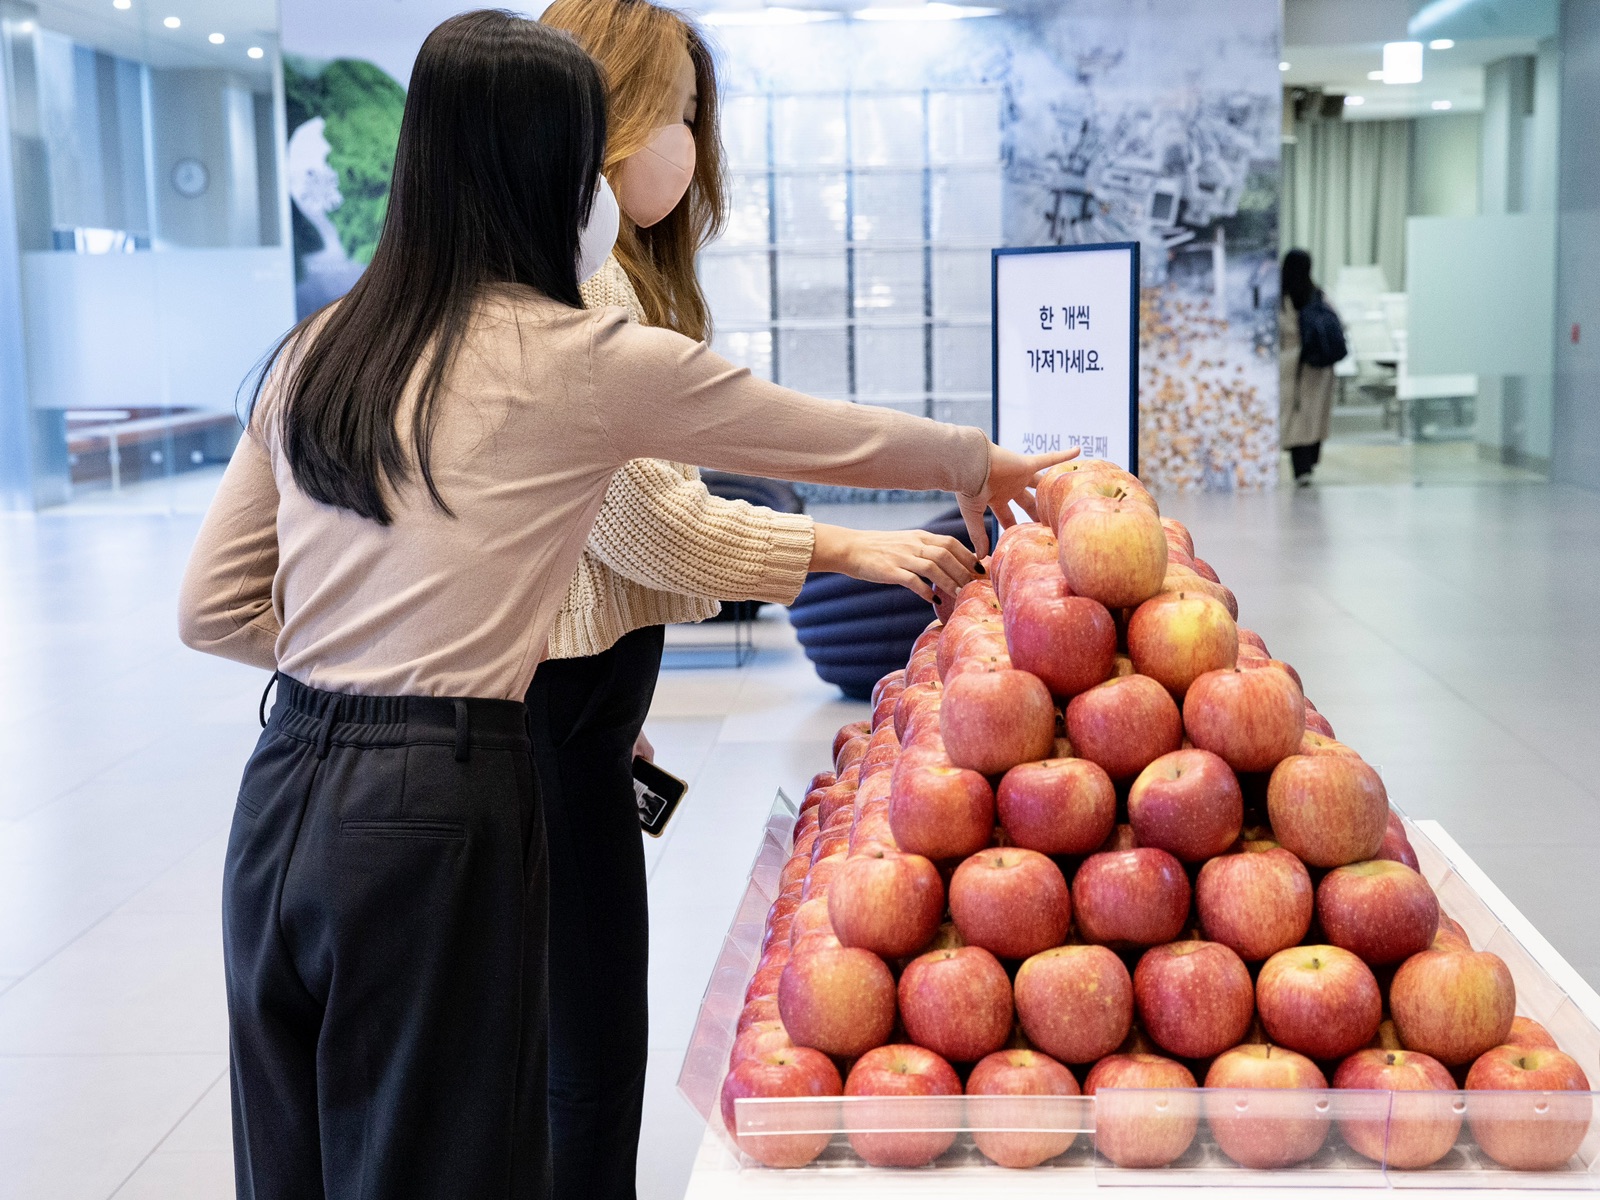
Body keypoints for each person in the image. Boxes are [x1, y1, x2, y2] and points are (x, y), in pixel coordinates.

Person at [176, 11, 1073, 1200]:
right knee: (445, 1155)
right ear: (553, 172)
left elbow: (213, 608)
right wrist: (980, 462)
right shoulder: (577, 353)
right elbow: (813, 428)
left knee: (288, 1157)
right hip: (440, 803)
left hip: (281, 787)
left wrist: (372, 660)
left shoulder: (316, 350)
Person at [526, 4, 978, 1195]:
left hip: (570, 705)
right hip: (538, 717)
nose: (690, 144)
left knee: (575, 1017)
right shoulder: (582, 290)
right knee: (581, 1034)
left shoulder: (596, 276)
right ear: (604, 111)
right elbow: (648, 519)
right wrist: (849, 547)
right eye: (675, 112)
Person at [1279, 248, 1339, 486]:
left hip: (1291, 366)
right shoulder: (1318, 295)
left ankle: (1302, 466)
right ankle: (1308, 464)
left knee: (1296, 417)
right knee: (1314, 417)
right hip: (1319, 368)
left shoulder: (1281, 298)